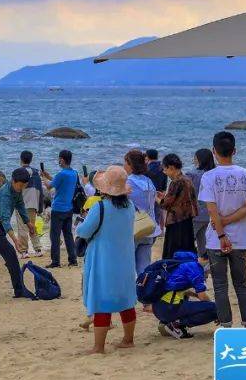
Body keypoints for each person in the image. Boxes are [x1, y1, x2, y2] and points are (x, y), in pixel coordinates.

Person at [75, 165, 137, 355]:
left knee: (101, 302)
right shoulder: (130, 206)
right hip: (125, 259)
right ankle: (128, 339)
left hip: (103, 259)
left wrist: (81, 222)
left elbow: (83, 231)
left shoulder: (100, 207)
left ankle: (98, 347)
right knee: (126, 300)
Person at [199, 131, 246, 328]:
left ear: (214, 151)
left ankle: (226, 325)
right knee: (241, 284)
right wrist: (229, 221)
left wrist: (222, 229)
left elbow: (211, 209)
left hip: (216, 239)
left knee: (220, 286)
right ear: (235, 150)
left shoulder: (209, 177)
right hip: (240, 238)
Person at [0, 168, 38, 297]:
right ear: (13, 181)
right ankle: (19, 290)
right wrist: (15, 240)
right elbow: (4, 219)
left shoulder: (17, 190)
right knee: (10, 254)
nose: (21, 188)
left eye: (24, 186)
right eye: (20, 185)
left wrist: (28, 223)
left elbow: (20, 205)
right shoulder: (5, 194)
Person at [153, 251, 217, 340]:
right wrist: (214, 309)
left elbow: (180, 290)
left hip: (158, 308)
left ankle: (166, 322)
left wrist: (196, 295)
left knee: (185, 300)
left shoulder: (181, 265)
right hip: (170, 307)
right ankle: (176, 324)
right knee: (216, 309)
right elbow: (203, 296)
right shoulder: (195, 268)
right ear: (210, 261)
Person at [123, 149, 161, 277]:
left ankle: (132, 294)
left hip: (132, 229)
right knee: (144, 269)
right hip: (149, 227)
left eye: (125, 163)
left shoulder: (128, 183)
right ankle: (144, 292)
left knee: (128, 267)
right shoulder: (149, 182)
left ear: (130, 165)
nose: (124, 166)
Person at [41, 150, 79, 268]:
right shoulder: (74, 173)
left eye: (59, 159)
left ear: (62, 159)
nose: (58, 161)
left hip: (58, 208)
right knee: (68, 235)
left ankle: (56, 261)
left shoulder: (61, 174)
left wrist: (43, 178)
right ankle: (73, 259)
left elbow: (49, 186)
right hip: (69, 208)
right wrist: (49, 176)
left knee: (55, 236)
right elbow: (60, 182)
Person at [158, 153, 198, 259]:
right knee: (186, 250)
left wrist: (156, 198)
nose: (164, 172)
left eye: (165, 169)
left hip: (176, 222)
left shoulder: (176, 182)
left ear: (171, 168)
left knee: (173, 252)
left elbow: (165, 204)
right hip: (187, 220)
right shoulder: (187, 179)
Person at [13, 150, 44, 258]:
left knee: (22, 228)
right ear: (31, 160)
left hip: (21, 203)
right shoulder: (36, 172)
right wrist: (40, 207)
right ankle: (38, 249)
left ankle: (24, 251)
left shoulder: (18, 172)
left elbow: (14, 189)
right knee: (32, 226)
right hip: (34, 202)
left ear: (21, 159)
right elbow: (40, 190)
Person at [186, 148, 215, 261]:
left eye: (195, 157)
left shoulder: (192, 174)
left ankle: (192, 263)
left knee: (188, 241)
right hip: (210, 213)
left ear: (199, 159)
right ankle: (205, 264)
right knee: (203, 241)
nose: (193, 159)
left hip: (195, 213)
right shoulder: (214, 173)